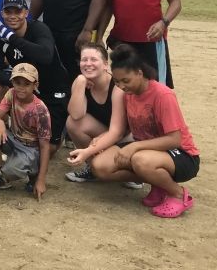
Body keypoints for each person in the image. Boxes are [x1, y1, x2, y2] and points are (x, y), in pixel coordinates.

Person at [86, 45, 200, 218]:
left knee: (140, 159)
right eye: (117, 82)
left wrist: (134, 147)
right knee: (100, 166)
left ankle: (177, 193)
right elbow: (122, 129)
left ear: (139, 73)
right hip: (148, 150)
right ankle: (158, 185)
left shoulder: (163, 95)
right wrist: (100, 140)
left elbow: (175, 139)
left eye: (126, 80)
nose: (121, 86)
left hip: (182, 154)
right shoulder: (128, 95)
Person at [0, 0, 70, 150]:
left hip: (52, 89)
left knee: (47, 148)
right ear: (2, 13)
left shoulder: (38, 29)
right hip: (27, 90)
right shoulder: (0, 34)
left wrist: (13, 39)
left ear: (25, 12)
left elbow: (46, 56)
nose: (12, 16)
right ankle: (3, 134)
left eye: (17, 11)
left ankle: (61, 129)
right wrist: (19, 82)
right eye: (8, 12)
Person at [0, 64, 51, 199]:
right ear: (12, 83)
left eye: (27, 83)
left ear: (35, 85)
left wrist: (42, 180)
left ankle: (33, 175)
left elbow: (45, 146)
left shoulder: (40, 110)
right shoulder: (11, 93)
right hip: (15, 139)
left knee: (12, 170)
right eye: (17, 82)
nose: (21, 87)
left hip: (32, 149)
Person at [64, 43, 131, 183]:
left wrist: (102, 137)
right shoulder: (80, 81)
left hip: (127, 135)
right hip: (107, 130)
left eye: (94, 59)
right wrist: (81, 82)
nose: (88, 64)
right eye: (84, 60)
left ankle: (130, 172)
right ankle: (92, 167)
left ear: (106, 64)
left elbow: (121, 130)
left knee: (122, 138)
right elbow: (75, 115)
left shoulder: (117, 87)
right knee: (73, 123)